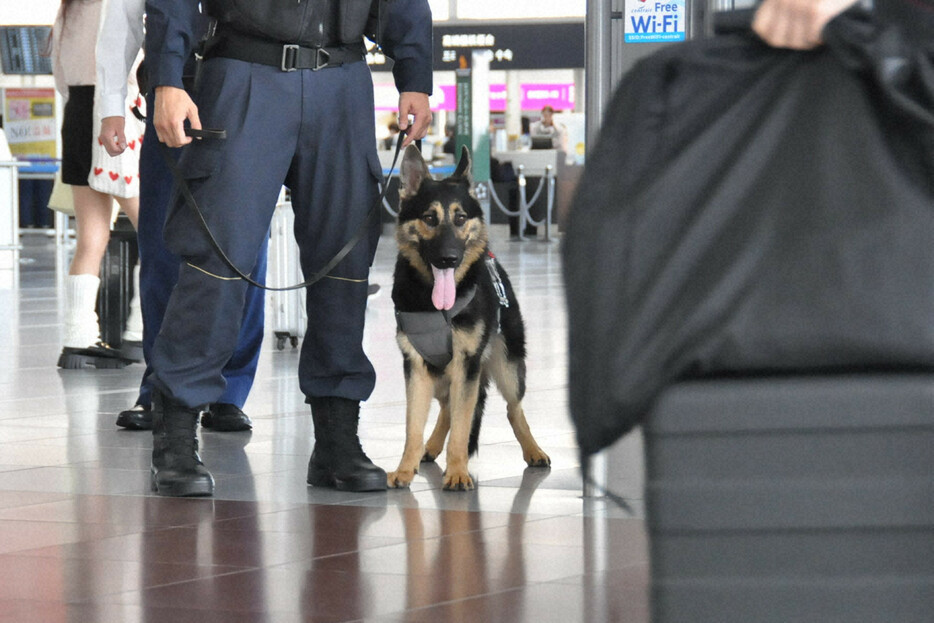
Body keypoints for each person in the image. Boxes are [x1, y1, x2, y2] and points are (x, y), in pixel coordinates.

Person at [144, 0, 433, 497]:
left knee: (344, 267)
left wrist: (416, 75)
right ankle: (175, 435)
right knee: (218, 261)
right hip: (243, 77)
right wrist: (168, 76)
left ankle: (337, 441)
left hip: (342, 82)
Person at [96, 0, 264, 433]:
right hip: (173, 92)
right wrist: (111, 105)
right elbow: (123, 20)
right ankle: (160, 386)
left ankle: (230, 391)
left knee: (244, 248)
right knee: (162, 247)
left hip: (253, 86)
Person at [52, 0, 142, 369]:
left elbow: (59, 75)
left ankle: (78, 339)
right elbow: (130, 60)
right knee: (152, 230)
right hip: (116, 113)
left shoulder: (69, 8)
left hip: (76, 112)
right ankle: (140, 332)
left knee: (91, 237)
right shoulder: (119, 3)